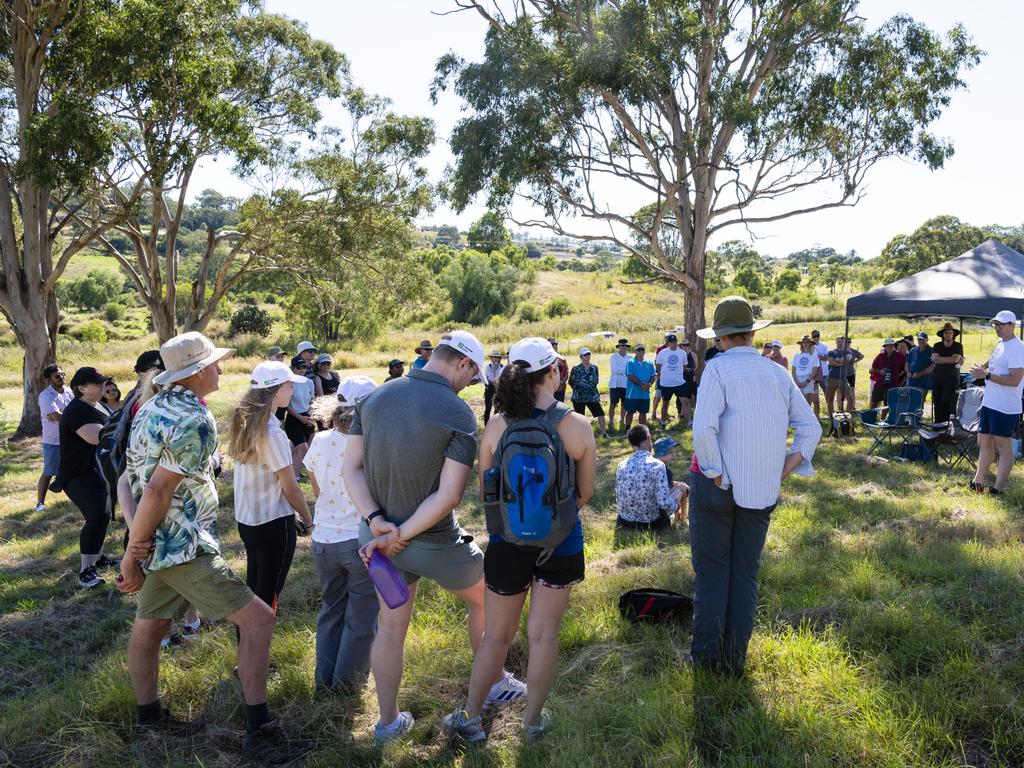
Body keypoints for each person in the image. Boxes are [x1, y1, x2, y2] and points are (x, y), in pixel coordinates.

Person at [117, 332, 293, 762]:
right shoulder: (194, 419)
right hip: (181, 544)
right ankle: (258, 730)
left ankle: (149, 718)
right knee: (258, 620)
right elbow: (157, 492)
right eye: (214, 364)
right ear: (195, 373)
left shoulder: (150, 406)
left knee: (152, 627)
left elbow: (128, 480)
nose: (221, 369)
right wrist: (130, 554)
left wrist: (137, 543)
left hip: (160, 540)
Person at [343, 330, 526, 743]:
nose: (469, 385)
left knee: (390, 627)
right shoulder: (458, 414)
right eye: (472, 376)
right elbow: (449, 496)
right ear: (462, 364)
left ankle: (387, 723)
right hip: (432, 543)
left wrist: (377, 523)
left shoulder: (372, 398)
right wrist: (401, 533)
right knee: (489, 599)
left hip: (374, 541)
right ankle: (494, 681)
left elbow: (350, 469)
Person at [442, 336, 595, 744]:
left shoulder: (496, 425)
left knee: (496, 636)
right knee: (543, 635)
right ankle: (531, 723)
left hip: (507, 545)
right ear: (553, 372)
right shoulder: (577, 426)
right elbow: (584, 494)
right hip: (561, 543)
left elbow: (486, 491)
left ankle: (471, 718)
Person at [691, 296, 821, 676]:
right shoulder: (777, 373)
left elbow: (703, 429)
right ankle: (733, 660)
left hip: (716, 487)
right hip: (760, 489)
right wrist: (784, 469)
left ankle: (706, 661)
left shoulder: (716, 370)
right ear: (750, 333)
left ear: (721, 338)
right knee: (745, 573)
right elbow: (811, 427)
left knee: (714, 573)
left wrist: (715, 472)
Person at [305, 378, 379, 693]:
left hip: (323, 540)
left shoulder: (319, 441)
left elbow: (316, 487)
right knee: (361, 617)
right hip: (358, 541)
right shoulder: (371, 443)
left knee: (331, 610)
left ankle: (324, 680)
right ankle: (347, 686)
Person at [228, 361, 314, 617]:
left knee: (255, 590)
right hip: (273, 522)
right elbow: (291, 487)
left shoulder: (248, 422)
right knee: (267, 598)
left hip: (249, 521)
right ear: (275, 390)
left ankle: (248, 653)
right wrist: (309, 521)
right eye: (289, 385)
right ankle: (256, 655)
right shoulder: (271, 431)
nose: (292, 391)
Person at [58, 366, 116, 588]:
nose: (103, 386)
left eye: (103, 382)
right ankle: (86, 570)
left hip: (95, 471)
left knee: (104, 512)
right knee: (97, 515)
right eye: (97, 383)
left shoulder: (97, 404)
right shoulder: (77, 410)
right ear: (82, 388)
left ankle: (99, 558)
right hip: (77, 474)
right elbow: (97, 437)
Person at [969, 311, 1024, 495]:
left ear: (1012, 325)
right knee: (983, 440)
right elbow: (991, 363)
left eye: (1001, 324)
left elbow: (1014, 380)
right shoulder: (1001, 343)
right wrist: (982, 368)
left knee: (1003, 445)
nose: (997, 328)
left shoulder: (1019, 347)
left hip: (1005, 405)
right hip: (990, 402)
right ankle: (978, 482)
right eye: (995, 325)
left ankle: (998, 488)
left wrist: (987, 375)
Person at [615, 424, 678, 531]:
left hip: (624, 521)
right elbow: (663, 501)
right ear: (649, 439)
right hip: (650, 523)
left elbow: (619, 495)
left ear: (632, 445)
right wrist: (676, 507)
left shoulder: (621, 465)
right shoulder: (657, 465)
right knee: (676, 496)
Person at [36, 364, 73, 512]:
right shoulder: (45, 396)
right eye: (57, 376)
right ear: (48, 380)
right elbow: (55, 416)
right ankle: (40, 503)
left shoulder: (70, 392)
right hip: (53, 441)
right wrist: (77, 421)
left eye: (63, 374)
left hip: (71, 439)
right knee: (49, 472)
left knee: (73, 469)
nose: (62, 378)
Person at [283, 355, 315, 481]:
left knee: (310, 447)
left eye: (304, 367)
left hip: (307, 417)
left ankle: (298, 471)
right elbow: (287, 405)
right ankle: (294, 478)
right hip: (294, 418)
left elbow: (312, 401)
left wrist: (310, 416)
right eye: (298, 367)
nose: (302, 369)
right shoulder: (290, 383)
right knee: (302, 448)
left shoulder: (309, 382)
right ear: (292, 369)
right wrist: (300, 418)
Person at [568, 347, 608, 437]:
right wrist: (578, 390)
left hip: (592, 396)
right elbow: (571, 382)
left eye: (589, 354)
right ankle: (580, 436)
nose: (587, 356)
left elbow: (596, 381)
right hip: (579, 398)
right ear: (581, 356)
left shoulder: (594, 368)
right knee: (579, 418)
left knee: (601, 414)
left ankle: (604, 434)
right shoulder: (576, 369)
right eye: (585, 354)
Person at [931, 322, 965, 424]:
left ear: (953, 334)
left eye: (950, 333)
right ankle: (937, 425)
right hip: (937, 378)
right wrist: (949, 359)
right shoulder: (937, 345)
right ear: (943, 335)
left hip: (951, 378)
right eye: (946, 333)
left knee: (946, 401)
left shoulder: (958, 346)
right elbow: (935, 359)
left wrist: (939, 359)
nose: (948, 335)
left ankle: (945, 426)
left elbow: (955, 359)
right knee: (937, 402)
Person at [653, 436, 689, 524]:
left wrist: (677, 484)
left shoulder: (652, 465)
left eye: (674, 452)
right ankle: (680, 516)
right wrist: (680, 486)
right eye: (669, 452)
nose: (673, 455)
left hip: (650, 502)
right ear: (660, 454)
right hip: (659, 507)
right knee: (683, 488)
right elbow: (666, 491)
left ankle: (680, 514)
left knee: (681, 485)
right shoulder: (665, 469)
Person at [655, 334, 688, 428]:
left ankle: (689, 422)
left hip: (679, 382)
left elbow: (685, 366)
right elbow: (658, 365)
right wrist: (662, 374)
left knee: (685, 402)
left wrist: (679, 373)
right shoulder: (662, 352)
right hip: (666, 383)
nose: (673, 343)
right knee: (665, 403)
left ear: (677, 342)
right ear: (668, 343)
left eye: (675, 342)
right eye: (671, 342)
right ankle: (663, 422)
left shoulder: (682, 353)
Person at [624, 342, 656, 428]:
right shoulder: (630, 362)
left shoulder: (649, 363)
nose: (641, 351)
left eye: (642, 349)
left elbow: (653, 376)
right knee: (630, 412)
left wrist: (649, 384)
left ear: (645, 351)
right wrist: (641, 384)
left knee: (643, 412)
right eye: (639, 349)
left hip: (645, 393)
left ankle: (642, 430)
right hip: (632, 393)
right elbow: (630, 376)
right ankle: (627, 429)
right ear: (635, 351)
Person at [825, 336, 857, 418]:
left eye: (842, 342)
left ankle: (848, 416)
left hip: (843, 379)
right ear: (836, 342)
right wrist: (842, 361)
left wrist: (837, 360)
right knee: (830, 399)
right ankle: (831, 416)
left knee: (850, 398)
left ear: (844, 343)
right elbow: (831, 363)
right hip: (832, 378)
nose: (840, 343)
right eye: (838, 341)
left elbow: (848, 359)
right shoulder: (831, 352)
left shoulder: (848, 352)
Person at [869, 339, 906, 406]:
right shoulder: (880, 356)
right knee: (874, 403)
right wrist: (879, 371)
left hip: (893, 385)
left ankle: (883, 417)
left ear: (894, 346)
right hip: (879, 384)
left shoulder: (900, 356)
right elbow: (871, 370)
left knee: (888, 405)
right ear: (884, 347)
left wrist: (901, 383)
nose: (890, 347)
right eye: (887, 346)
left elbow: (906, 370)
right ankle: (872, 416)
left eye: (891, 345)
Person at [791, 336, 821, 415]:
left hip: (809, 379)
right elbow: (793, 370)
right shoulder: (797, 355)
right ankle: (799, 417)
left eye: (807, 342)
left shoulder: (814, 356)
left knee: (808, 400)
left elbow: (814, 371)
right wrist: (796, 382)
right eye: (804, 342)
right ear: (801, 344)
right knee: (798, 401)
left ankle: (808, 417)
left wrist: (806, 382)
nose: (805, 344)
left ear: (810, 344)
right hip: (797, 379)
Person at [607, 339, 631, 432]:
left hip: (626, 384)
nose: (624, 347)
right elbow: (615, 370)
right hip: (615, 384)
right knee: (613, 403)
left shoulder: (630, 357)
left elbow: (630, 370)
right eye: (622, 346)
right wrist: (626, 372)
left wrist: (626, 372)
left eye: (626, 346)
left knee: (624, 404)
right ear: (619, 347)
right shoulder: (613, 357)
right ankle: (611, 421)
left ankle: (622, 420)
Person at [906, 332, 934, 408]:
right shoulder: (913, 350)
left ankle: (918, 419)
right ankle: (910, 419)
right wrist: (908, 371)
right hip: (911, 381)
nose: (920, 341)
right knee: (910, 402)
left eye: (923, 339)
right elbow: (907, 363)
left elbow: (932, 366)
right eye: (919, 339)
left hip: (923, 382)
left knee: (919, 402)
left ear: (927, 339)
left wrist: (920, 374)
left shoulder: (931, 350)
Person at [482, 349, 505, 425]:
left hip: (499, 388)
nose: (495, 358)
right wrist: (494, 370)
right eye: (494, 357)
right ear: (491, 358)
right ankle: (486, 425)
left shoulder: (502, 367)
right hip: (490, 388)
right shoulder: (489, 367)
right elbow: (489, 379)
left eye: (497, 357)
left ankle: (494, 425)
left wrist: (496, 372)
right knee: (488, 407)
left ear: (499, 358)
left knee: (498, 408)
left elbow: (500, 379)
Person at [548, 338, 569, 402]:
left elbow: (566, 373)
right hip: (548, 390)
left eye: (556, 344)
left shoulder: (561, 358)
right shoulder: (544, 360)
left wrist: (561, 382)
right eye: (552, 344)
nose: (555, 345)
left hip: (560, 388)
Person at [811, 330, 829, 394]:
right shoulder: (810, 346)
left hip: (824, 371)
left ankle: (829, 404)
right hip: (813, 373)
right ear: (812, 337)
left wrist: (818, 357)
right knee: (814, 392)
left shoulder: (824, 345)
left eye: (817, 336)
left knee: (826, 390)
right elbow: (812, 359)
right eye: (814, 336)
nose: (816, 337)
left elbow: (827, 358)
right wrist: (821, 356)